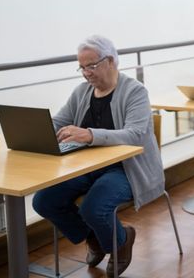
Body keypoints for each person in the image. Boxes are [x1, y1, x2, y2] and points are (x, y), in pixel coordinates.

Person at [32, 35, 164, 277]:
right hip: (88, 166)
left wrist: (89, 135)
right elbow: (60, 121)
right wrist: (37, 130)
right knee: (44, 201)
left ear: (111, 61)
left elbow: (135, 135)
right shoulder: (82, 92)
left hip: (127, 169)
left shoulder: (135, 92)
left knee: (93, 208)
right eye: (82, 67)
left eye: (91, 66)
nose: (86, 73)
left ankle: (122, 240)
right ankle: (94, 238)